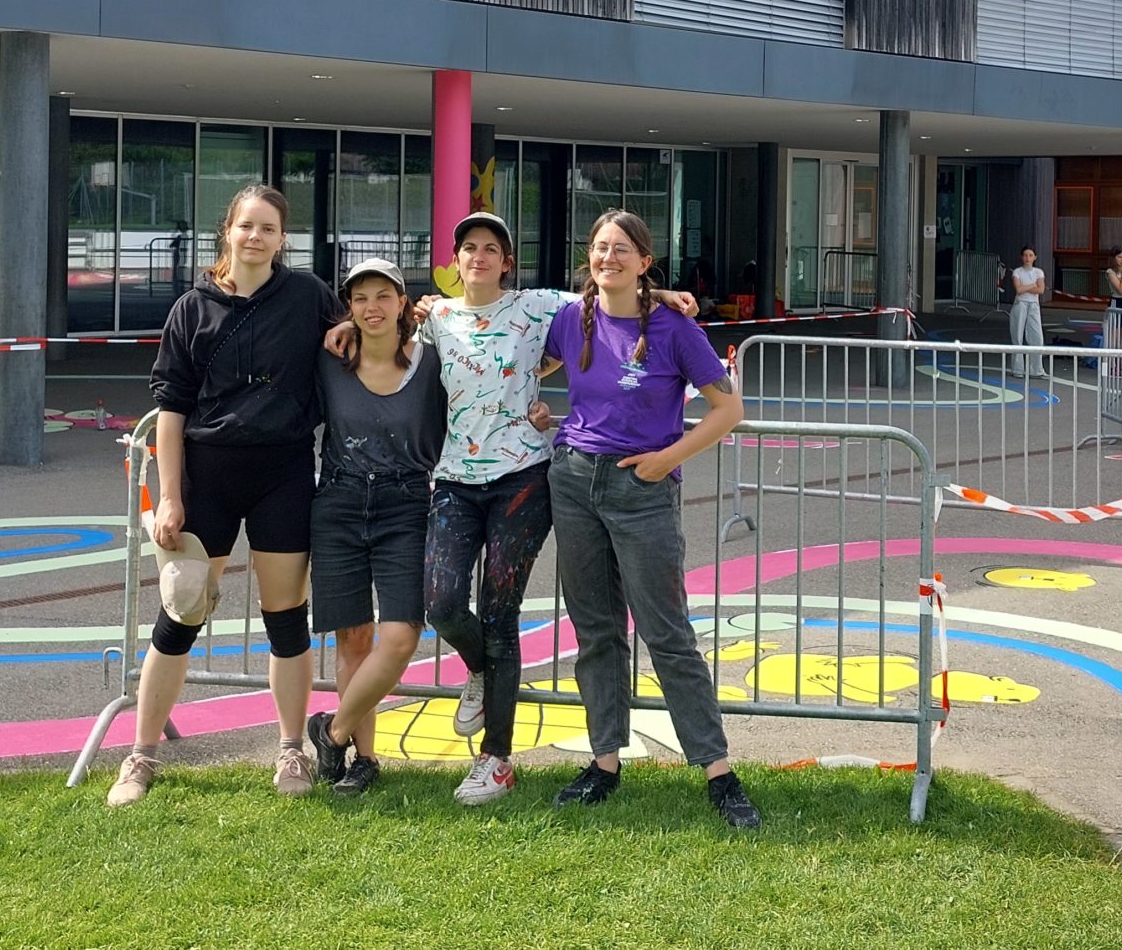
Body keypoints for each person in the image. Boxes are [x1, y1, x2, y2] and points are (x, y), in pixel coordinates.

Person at [318, 211, 696, 806]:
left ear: (506, 261)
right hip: (454, 482)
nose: (479, 257)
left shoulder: (539, 306)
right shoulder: (435, 316)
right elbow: (383, 326)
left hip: (523, 479)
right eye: (469, 248)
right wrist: (344, 327)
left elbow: (610, 288)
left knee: (500, 612)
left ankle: (497, 758)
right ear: (454, 261)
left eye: (491, 249)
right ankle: (478, 668)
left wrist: (664, 294)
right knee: (441, 602)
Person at [111, 185, 341, 806]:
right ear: (228, 232)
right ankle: (140, 757)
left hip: (284, 472)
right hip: (207, 476)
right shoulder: (192, 308)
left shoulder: (308, 297)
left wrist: (420, 314)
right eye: (246, 226)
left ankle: (291, 749)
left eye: (268, 228)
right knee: (180, 614)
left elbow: (364, 331)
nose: (256, 237)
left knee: (286, 621)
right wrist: (170, 497)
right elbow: (172, 408)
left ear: (281, 238)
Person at [542, 209, 757, 828]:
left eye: (621, 250)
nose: (607, 258)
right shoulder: (568, 318)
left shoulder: (671, 327)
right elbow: (518, 353)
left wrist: (666, 461)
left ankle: (717, 771)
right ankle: (604, 762)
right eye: (599, 248)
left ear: (644, 260)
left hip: (642, 490)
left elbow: (727, 409)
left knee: (667, 632)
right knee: (596, 630)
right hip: (576, 481)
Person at [301, 257, 446, 797]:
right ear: (349, 307)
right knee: (354, 637)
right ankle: (364, 759)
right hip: (337, 501)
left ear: (404, 303)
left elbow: (512, 360)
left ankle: (331, 732)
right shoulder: (330, 359)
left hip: (407, 504)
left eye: (384, 295)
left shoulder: (432, 363)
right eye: (360, 298)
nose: (371, 307)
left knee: (402, 634)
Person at [1006, 246, 1047, 377]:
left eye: (1030, 255)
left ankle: (1036, 369)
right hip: (1020, 304)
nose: (1027, 258)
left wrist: (1026, 287)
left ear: (1035, 257)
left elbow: (1041, 290)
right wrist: (1032, 285)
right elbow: (1018, 290)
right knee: (1017, 335)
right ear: (1021, 257)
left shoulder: (1038, 272)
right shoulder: (1017, 272)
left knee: (1037, 337)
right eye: (1025, 255)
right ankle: (1018, 369)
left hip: (1034, 305)